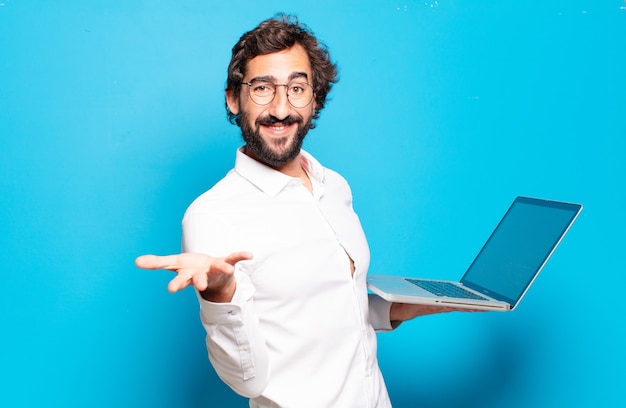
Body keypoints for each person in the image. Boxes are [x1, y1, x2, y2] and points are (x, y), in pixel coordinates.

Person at [136, 14, 475, 408]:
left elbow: (327, 306)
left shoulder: (334, 185)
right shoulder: (212, 214)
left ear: (315, 99)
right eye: (262, 88)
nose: (281, 108)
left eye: (297, 88)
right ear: (233, 98)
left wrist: (420, 303)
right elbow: (247, 380)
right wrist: (219, 294)